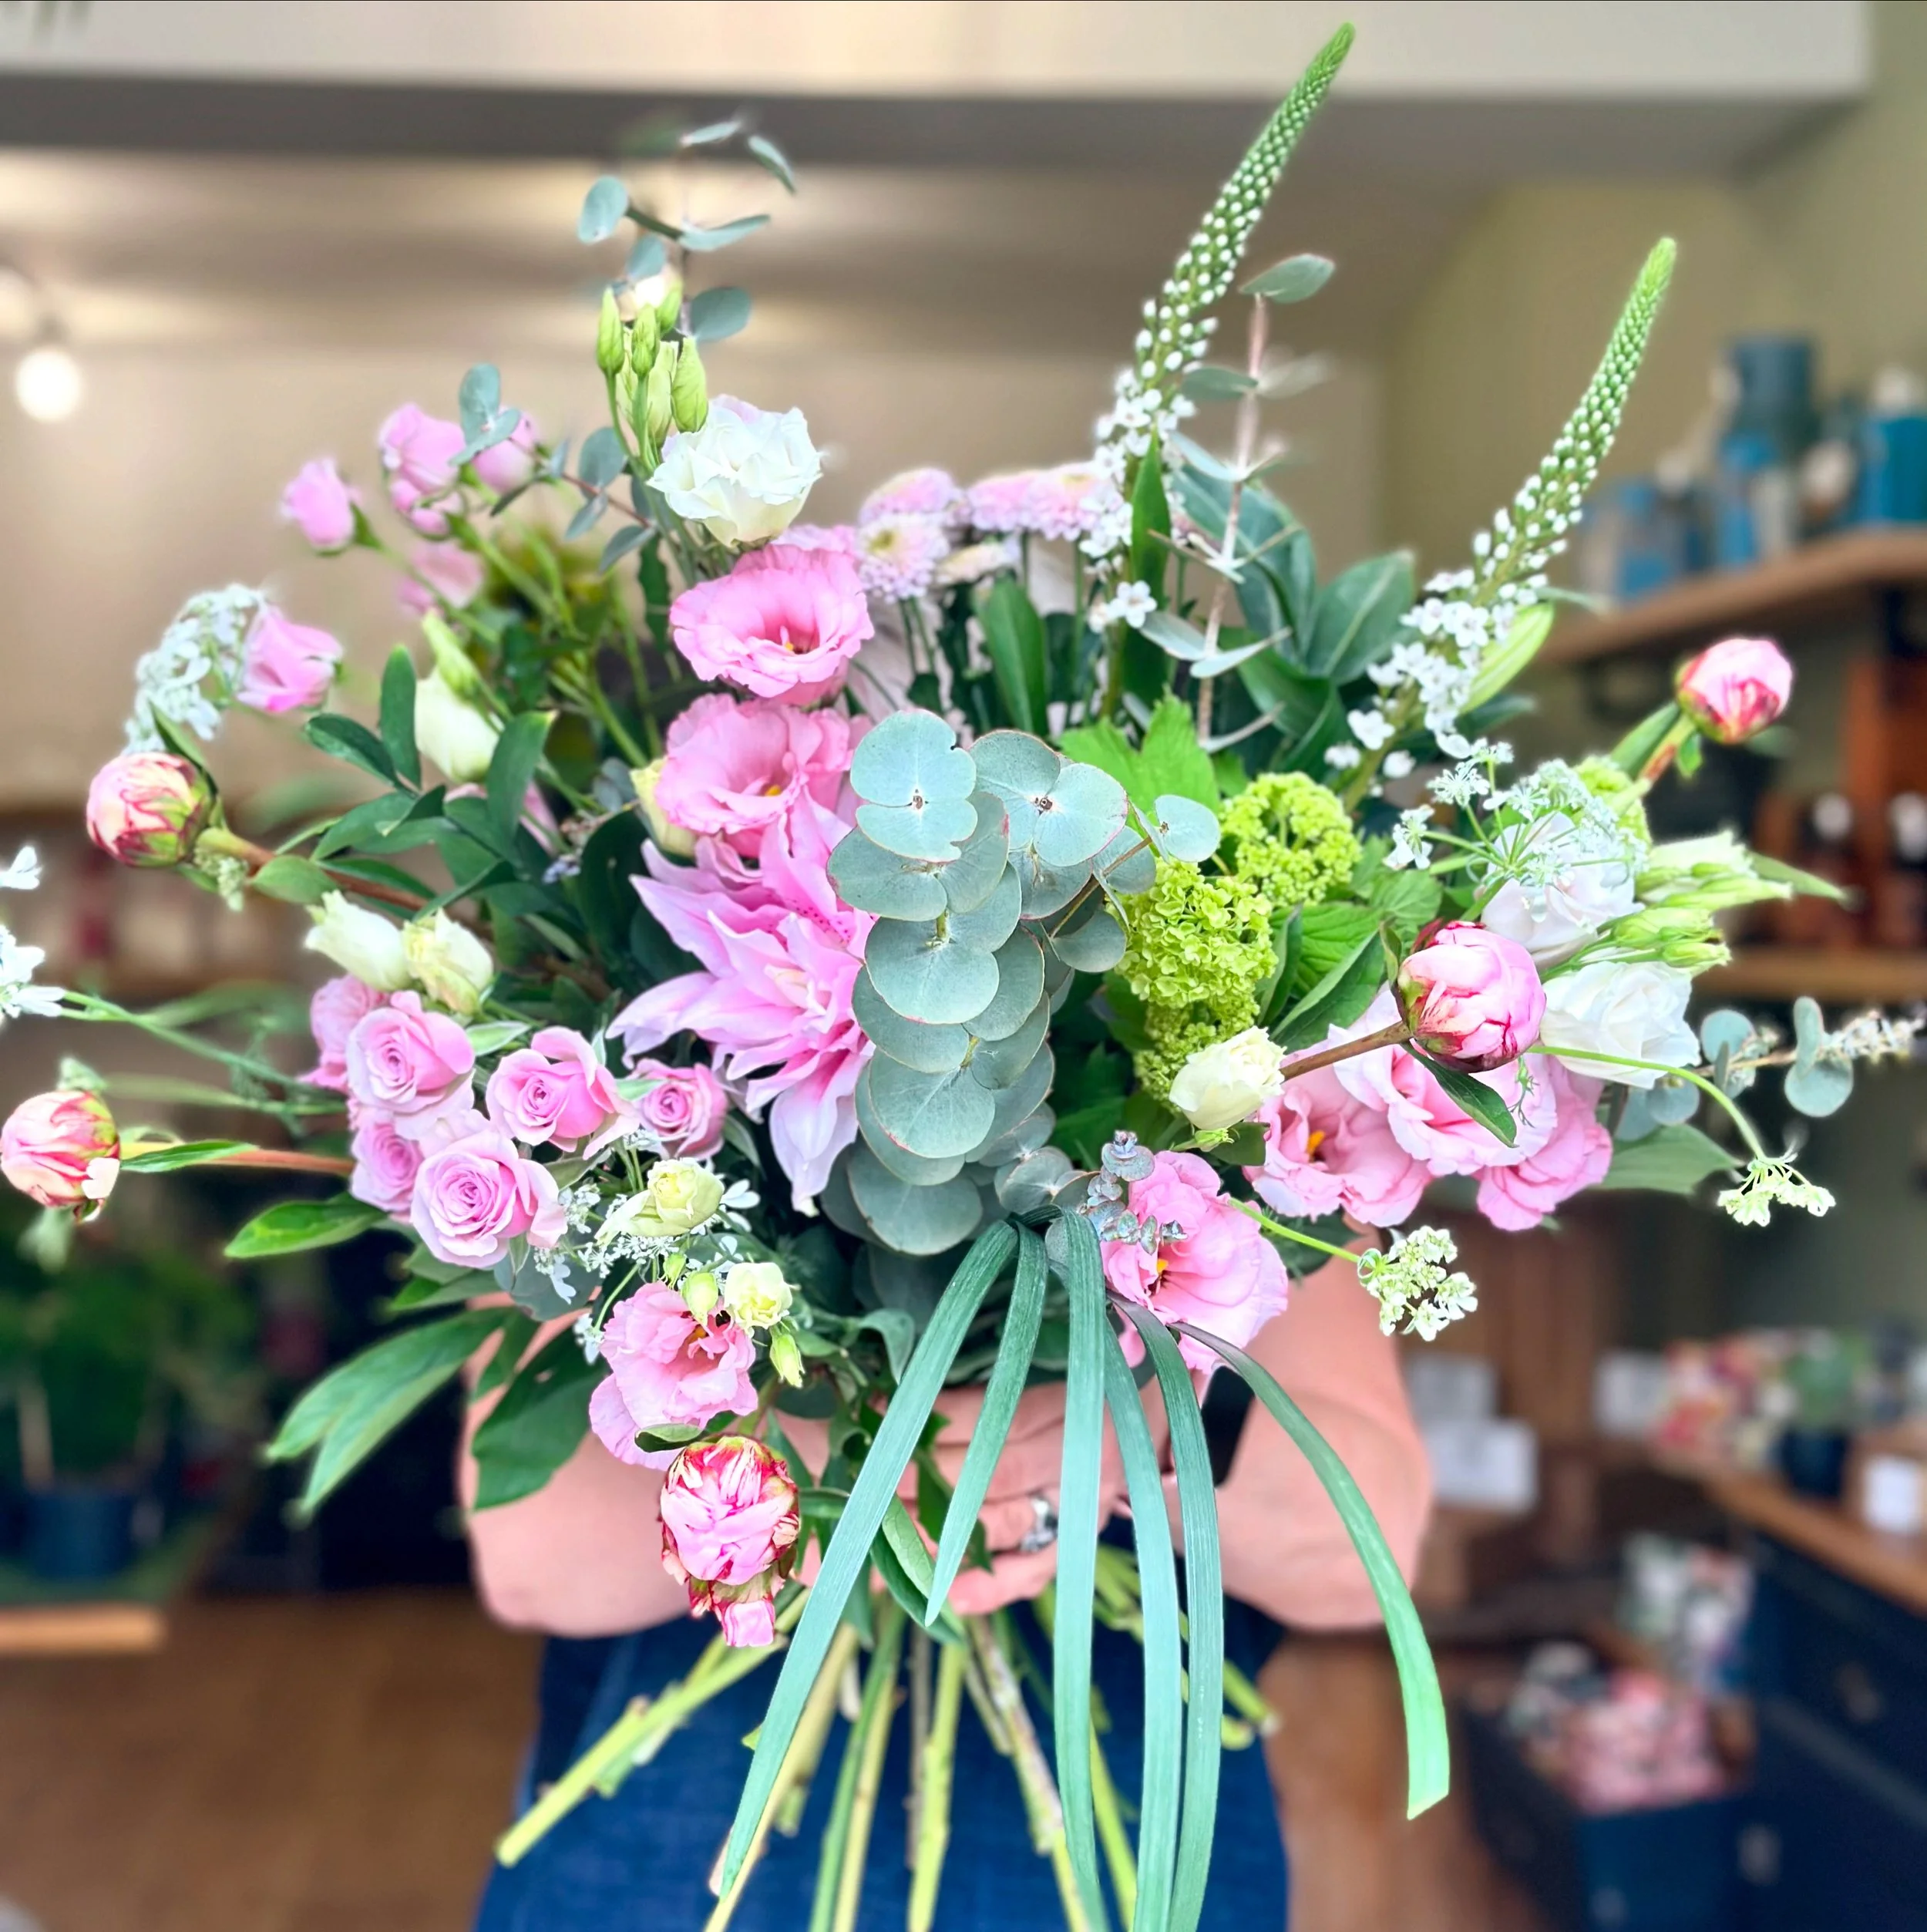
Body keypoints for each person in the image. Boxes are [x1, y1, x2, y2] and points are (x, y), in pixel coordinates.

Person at [468, 1254, 1431, 1930]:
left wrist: (1119, 1454)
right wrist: (813, 1472)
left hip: (1125, 1819)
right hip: (686, 1830)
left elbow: (1368, 1553)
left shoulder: (1271, 1076)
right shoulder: (618, 1095)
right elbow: (529, 1551)